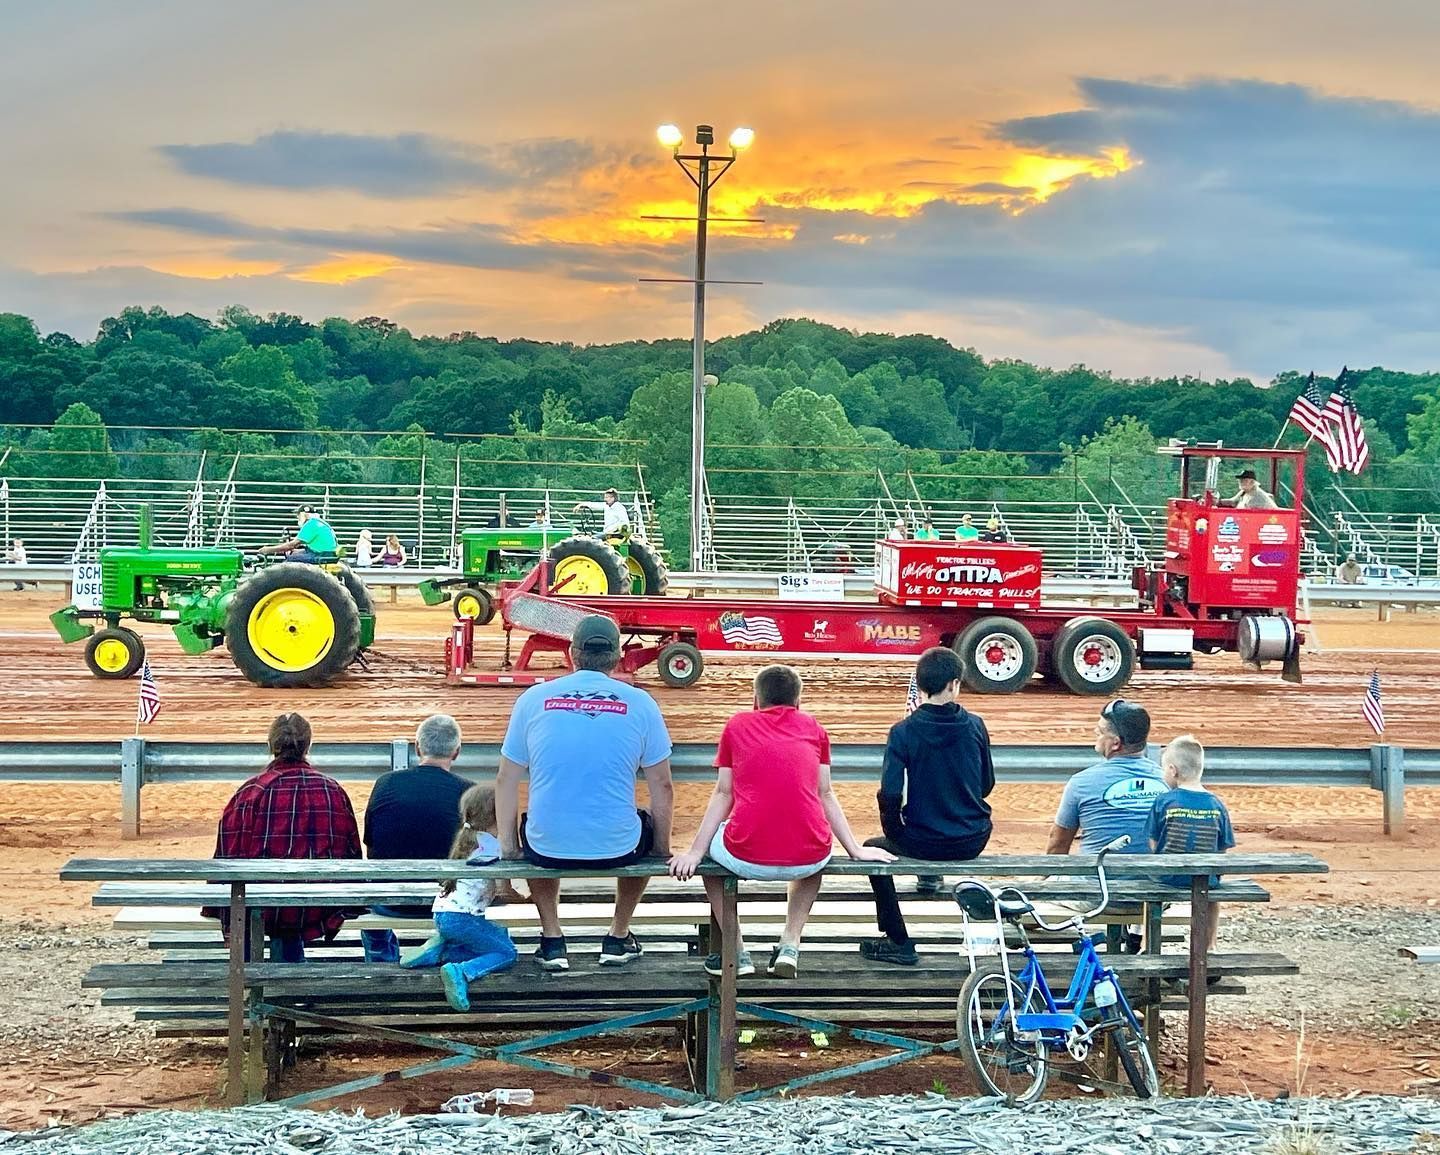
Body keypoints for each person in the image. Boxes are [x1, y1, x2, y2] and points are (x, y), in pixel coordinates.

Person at [669, 666, 894, 978]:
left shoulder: (736, 725)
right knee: (816, 850)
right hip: (806, 857)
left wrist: (694, 852)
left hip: (745, 855)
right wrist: (855, 848)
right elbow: (825, 793)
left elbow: (724, 794)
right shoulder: (814, 727)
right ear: (798, 701)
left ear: (755, 700)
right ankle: (790, 943)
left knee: (708, 861)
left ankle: (736, 951)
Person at [496, 614, 674, 972]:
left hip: (546, 847)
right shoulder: (641, 703)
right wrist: (661, 848)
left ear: (572, 653)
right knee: (645, 829)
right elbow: (663, 786)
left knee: (539, 824)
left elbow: (505, 781)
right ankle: (618, 934)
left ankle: (552, 939)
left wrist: (509, 848)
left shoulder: (533, 699)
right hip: (619, 848)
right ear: (618, 656)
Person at [860, 647, 994, 966]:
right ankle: (929, 877)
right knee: (926, 827)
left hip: (923, 841)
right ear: (954, 684)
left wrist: (895, 834)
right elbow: (986, 785)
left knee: (872, 849)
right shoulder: (975, 726)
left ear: (920, 687)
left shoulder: (903, 731)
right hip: (973, 838)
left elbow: (890, 794)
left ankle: (898, 940)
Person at [200, 714, 361, 961]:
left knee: (250, 899)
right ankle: (287, 980)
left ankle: (250, 976)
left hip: (260, 905)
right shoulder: (332, 790)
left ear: (270, 745)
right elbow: (352, 853)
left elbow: (227, 855)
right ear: (308, 746)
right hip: (319, 906)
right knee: (285, 912)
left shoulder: (251, 791)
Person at [360, 714, 477, 963]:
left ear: (417, 747)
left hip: (390, 902)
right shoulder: (470, 792)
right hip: (449, 904)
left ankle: (382, 960)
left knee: (369, 895)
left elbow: (370, 845)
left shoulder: (386, 783)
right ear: (456, 752)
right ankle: (451, 955)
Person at [400, 785, 519, 1011]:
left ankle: (440, 951)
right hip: (463, 920)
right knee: (507, 952)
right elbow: (505, 890)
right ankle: (462, 971)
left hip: (444, 915)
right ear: (499, 815)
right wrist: (524, 895)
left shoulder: (470, 841)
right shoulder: (494, 848)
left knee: (499, 934)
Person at [1145, 734, 1233, 953]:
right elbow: (1222, 849)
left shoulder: (1164, 801)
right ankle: (1209, 945)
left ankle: (1149, 945)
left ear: (1173, 770)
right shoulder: (1217, 804)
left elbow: (1154, 843)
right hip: (1204, 880)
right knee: (1212, 893)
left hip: (1168, 878)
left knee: (1149, 890)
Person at [1048, 699, 1166, 858]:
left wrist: (1045, 878)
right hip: (1156, 880)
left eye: (1100, 731)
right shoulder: (1167, 781)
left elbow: (1058, 844)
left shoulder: (1081, 783)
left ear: (1115, 743)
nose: (1095, 733)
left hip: (1097, 880)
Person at [258, 506, 338, 563]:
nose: (297, 517)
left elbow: (291, 545)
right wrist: (295, 551)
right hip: (327, 554)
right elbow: (313, 547)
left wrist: (268, 550)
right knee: (295, 554)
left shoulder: (311, 524)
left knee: (290, 560)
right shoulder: (318, 522)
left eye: (298, 515)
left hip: (322, 556)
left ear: (305, 514)